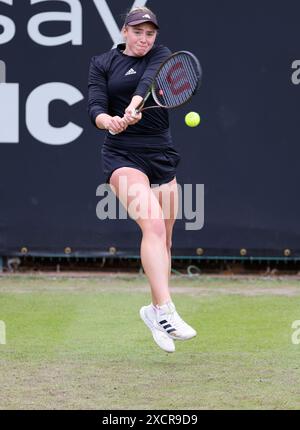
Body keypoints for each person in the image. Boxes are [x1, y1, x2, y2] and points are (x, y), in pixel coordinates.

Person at [88, 7, 196, 353]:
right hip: (122, 155)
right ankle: (166, 311)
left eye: (150, 33)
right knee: (152, 225)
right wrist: (109, 121)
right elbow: (94, 106)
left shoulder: (162, 55)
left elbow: (150, 81)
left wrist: (134, 105)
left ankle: (152, 310)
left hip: (161, 153)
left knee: (164, 242)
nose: (144, 39)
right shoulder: (102, 63)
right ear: (124, 32)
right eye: (138, 32)